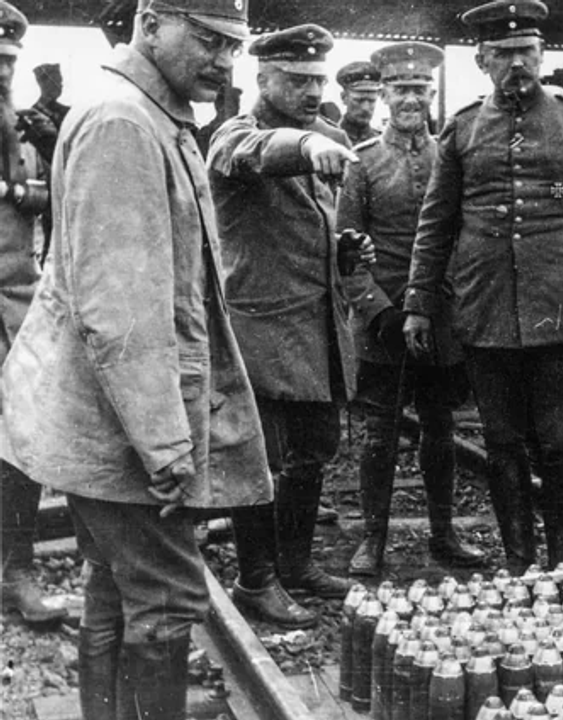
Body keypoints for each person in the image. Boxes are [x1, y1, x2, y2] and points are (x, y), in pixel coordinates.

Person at [0, 1, 273, 717]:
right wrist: (165, 446)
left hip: (111, 415)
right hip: (124, 423)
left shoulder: (150, 113)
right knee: (168, 598)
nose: (224, 60)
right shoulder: (124, 122)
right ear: (151, 27)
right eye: (207, 39)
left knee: (115, 587)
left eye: (233, 45)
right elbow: (119, 311)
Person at [403, 0, 563, 572]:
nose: (517, 63)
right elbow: (436, 221)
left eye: (526, 51)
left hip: (558, 304)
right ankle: (520, 565)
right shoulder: (463, 127)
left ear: (541, 55)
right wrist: (419, 302)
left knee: (562, 443)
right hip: (487, 304)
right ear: (482, 61)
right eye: (503, 54)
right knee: (502, 442)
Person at [208, 23, 361, 628]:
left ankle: (295, 565)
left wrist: (345, 250)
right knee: (261, 461)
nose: (312, 90)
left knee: (314, 452)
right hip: (264, 329)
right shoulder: (235, 134)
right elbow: (251, 155)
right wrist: (303, 144)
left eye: (318, 79)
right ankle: (256, 580)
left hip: (318, 325)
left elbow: (313, 224)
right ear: (263, 78)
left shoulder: (329, 137)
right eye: (297, 80)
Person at [336, 40, 484, 576]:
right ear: (384, 95)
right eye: (401, 90)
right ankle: (372, 538)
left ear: (430, 96)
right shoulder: (362, 163)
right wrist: (377, 311)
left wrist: (450, 300)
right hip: (383, 320)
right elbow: (346, 253)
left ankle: (444, 535)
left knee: (440, 427)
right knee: (379, 432)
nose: (410, 100)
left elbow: (463, 237)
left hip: (439, 317)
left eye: (420, 90)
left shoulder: (451, 156)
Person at [0, 0, 65, 628]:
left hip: (16, 303)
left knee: (19, 443)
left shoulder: (23, 128)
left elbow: (56, 194)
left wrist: (18, 191)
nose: (0, 72)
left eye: (7, 63)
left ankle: (16, 570)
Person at [336, 60, 381, 146]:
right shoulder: (328, 138)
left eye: (372, 101)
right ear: (344, 98)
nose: (365, 108)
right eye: (359, 100)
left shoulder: (381, 142)